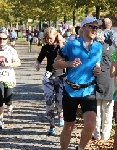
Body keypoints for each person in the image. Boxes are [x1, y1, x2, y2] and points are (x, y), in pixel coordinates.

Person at [53, 16, 103, 150]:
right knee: (69, 125)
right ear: (84, 28)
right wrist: (69, 63)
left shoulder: (99, 47)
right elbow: (56, 63)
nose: (94, 30)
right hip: (70, 90)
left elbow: (96, 64)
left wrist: (98, 69)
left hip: (88, 90)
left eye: (96, 27)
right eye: (92, 26)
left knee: (91, 123)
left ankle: (80, 148)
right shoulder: (72, 45)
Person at [0, 32, 21, 129]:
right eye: (0, 38)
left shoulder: (11, 50)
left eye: (4, 39)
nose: (2, 41)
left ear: (7, 39)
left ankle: (9, 105)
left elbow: (18, 63)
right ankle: (0, 120)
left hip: (9, 77)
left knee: (7, 99)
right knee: (0, 98)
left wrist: (7, 64)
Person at [35, 27, 64, 135]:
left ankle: (61, 113)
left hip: (61, 76)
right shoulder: (45, 48)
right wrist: (37, 64)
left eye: (50, 38)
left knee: (59, 101)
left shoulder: (60, 47)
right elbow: (39, 58)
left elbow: (65, 55)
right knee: (48, 101)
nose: (48, 40)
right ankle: (51, 125)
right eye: (47, 38)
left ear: (56, 37)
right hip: (48, 76)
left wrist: (60, 41)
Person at [93, 29, 115, 141]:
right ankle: (105, 135)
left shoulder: (93, 49)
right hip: (109, 81)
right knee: (107, 110)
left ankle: (96, 134)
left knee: (96, 110)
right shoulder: (112, 48)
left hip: (96, 81)